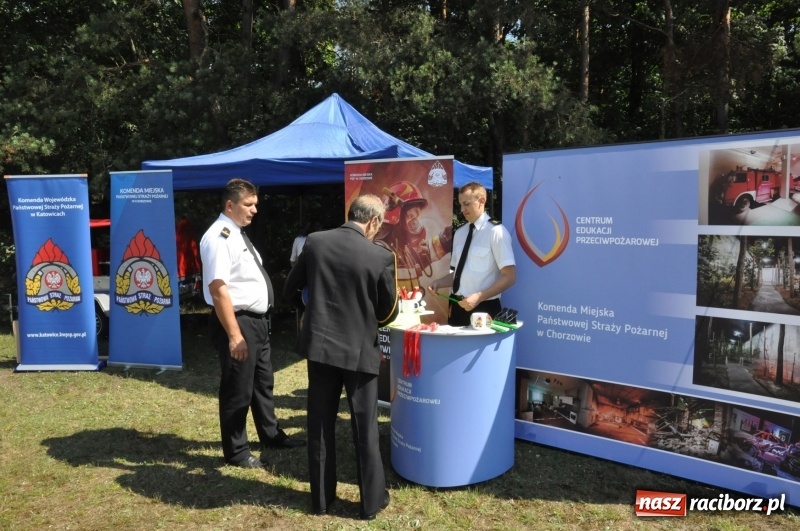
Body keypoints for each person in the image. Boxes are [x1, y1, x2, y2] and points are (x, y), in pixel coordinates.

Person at [283, 194, 398, 519]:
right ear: (373, 221)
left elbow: (290, 289)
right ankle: (371, 503)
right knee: (365, 429)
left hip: (320, 348)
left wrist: (312, 309)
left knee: (320, 424)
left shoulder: (316, 242)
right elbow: (388, 311)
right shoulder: (380, 256)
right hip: (359, 350)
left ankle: (320, 500)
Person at [199, 178, 305, 469]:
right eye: (248, 204)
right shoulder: (219, 237)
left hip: (256, 323)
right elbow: (218, 289)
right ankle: (236, 451)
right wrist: (235, 336)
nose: (254, 210)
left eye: (255, 204)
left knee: (262, 383)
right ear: (229, 205)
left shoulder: (237, 234)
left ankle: (271, 435)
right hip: (238, 322)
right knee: (238, 389)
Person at [427, 182, 516, 326]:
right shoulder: (460, 233)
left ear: (482, 201)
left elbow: (509, 276)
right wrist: (439, 283)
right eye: (460, 204)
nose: (462, 209)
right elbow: (458, 275)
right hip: (458, 307)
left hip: (485, 308)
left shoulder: (496, 232)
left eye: (466, 204)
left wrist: (480, 297)